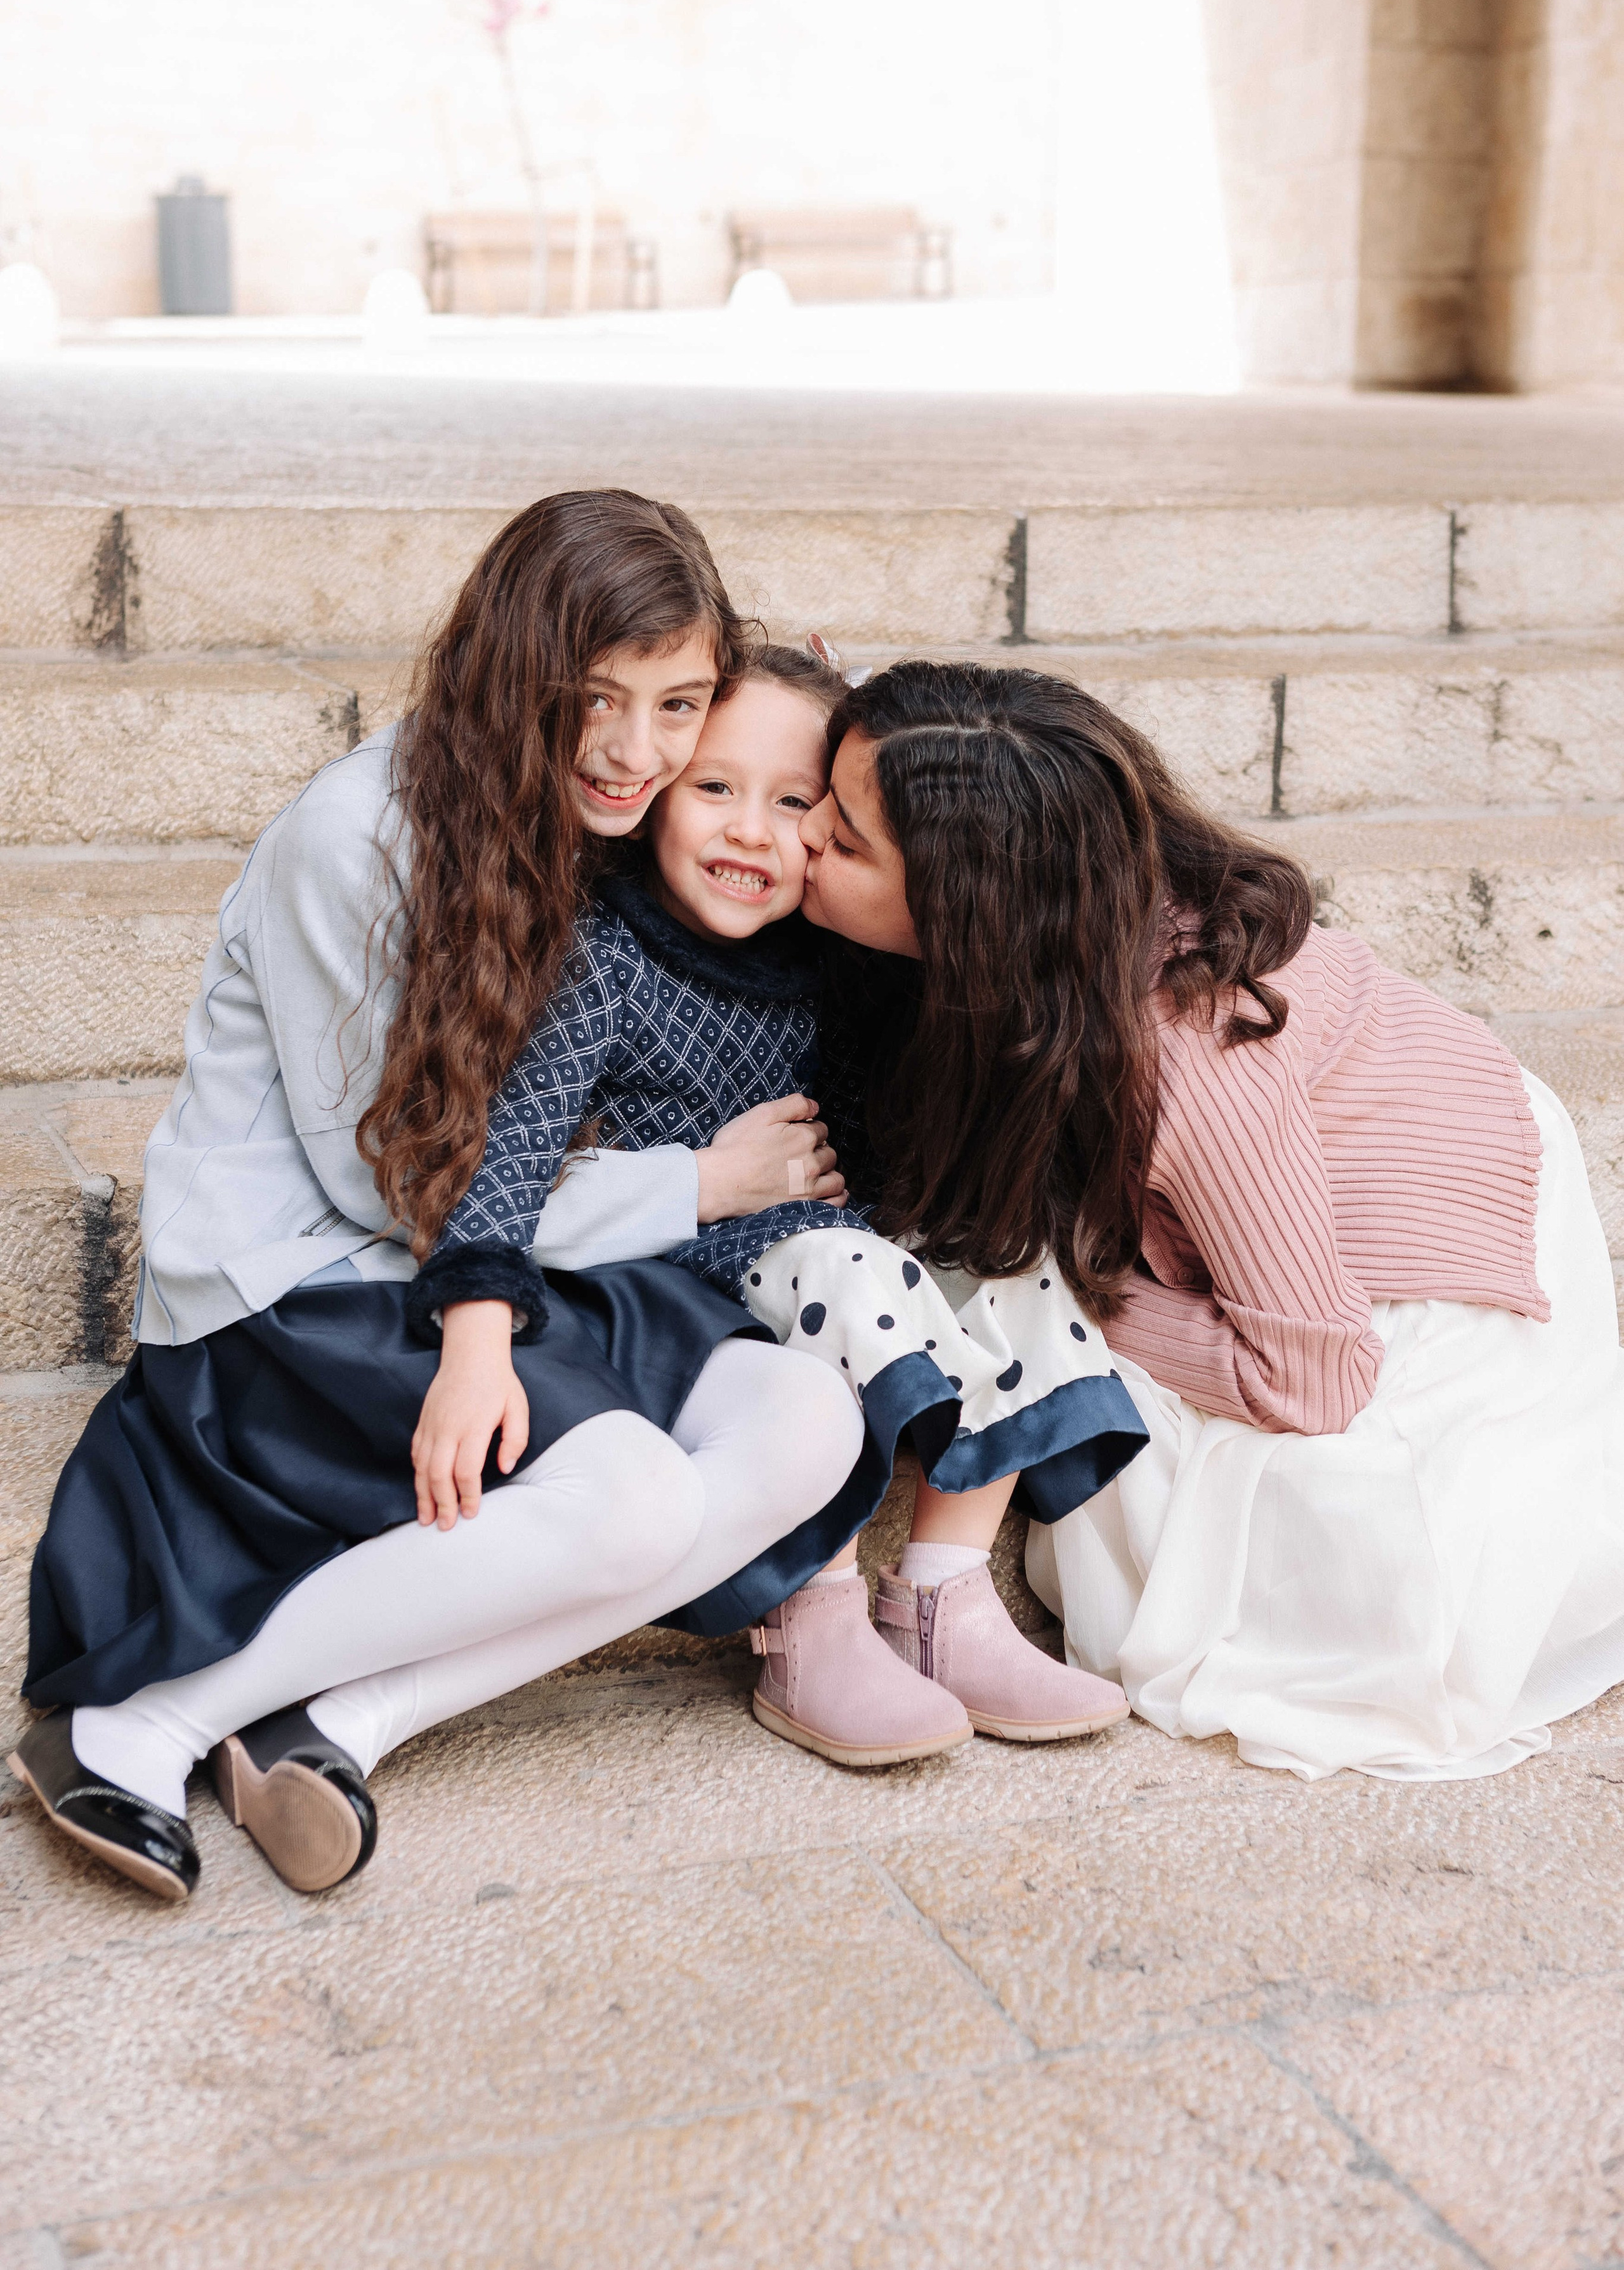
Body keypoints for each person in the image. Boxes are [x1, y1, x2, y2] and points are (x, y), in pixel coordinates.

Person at [10, 491, 862, 1903]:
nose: (637, 751)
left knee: (811, 1419)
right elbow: (390, 1178)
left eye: (677, 703)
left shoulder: (607, 814)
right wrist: (698, 1184)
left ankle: (337, 1720)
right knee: (638, 1499)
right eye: (594, 699)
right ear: (512, 671)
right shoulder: (355, 840)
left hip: (514, 1258)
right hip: (310, 1281)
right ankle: (134, 1721)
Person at [792, 657, 1624, 1782]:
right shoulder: (1047, 928)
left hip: (1428, 1239)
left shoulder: (1192, 1059)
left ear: (964, 907)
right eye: (817, 806)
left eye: (843, 841)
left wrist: (1092, 1287)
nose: (800, 841)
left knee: (1205, 1500)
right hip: (1289, 1178)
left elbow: (1315, 1377)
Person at [400, 641, 1143, 1773]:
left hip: (818, 1247)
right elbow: (503, 1153)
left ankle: (944, 1594)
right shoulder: (604, 957)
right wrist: (475, 1326)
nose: (753, 829)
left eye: (797, 803)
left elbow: (876, 1132)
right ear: (651, 793)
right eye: (714, 788)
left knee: (1001, 1254)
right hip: (675, 1282)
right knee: (853, 1269)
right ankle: (811, 1607)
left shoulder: (831, 950)